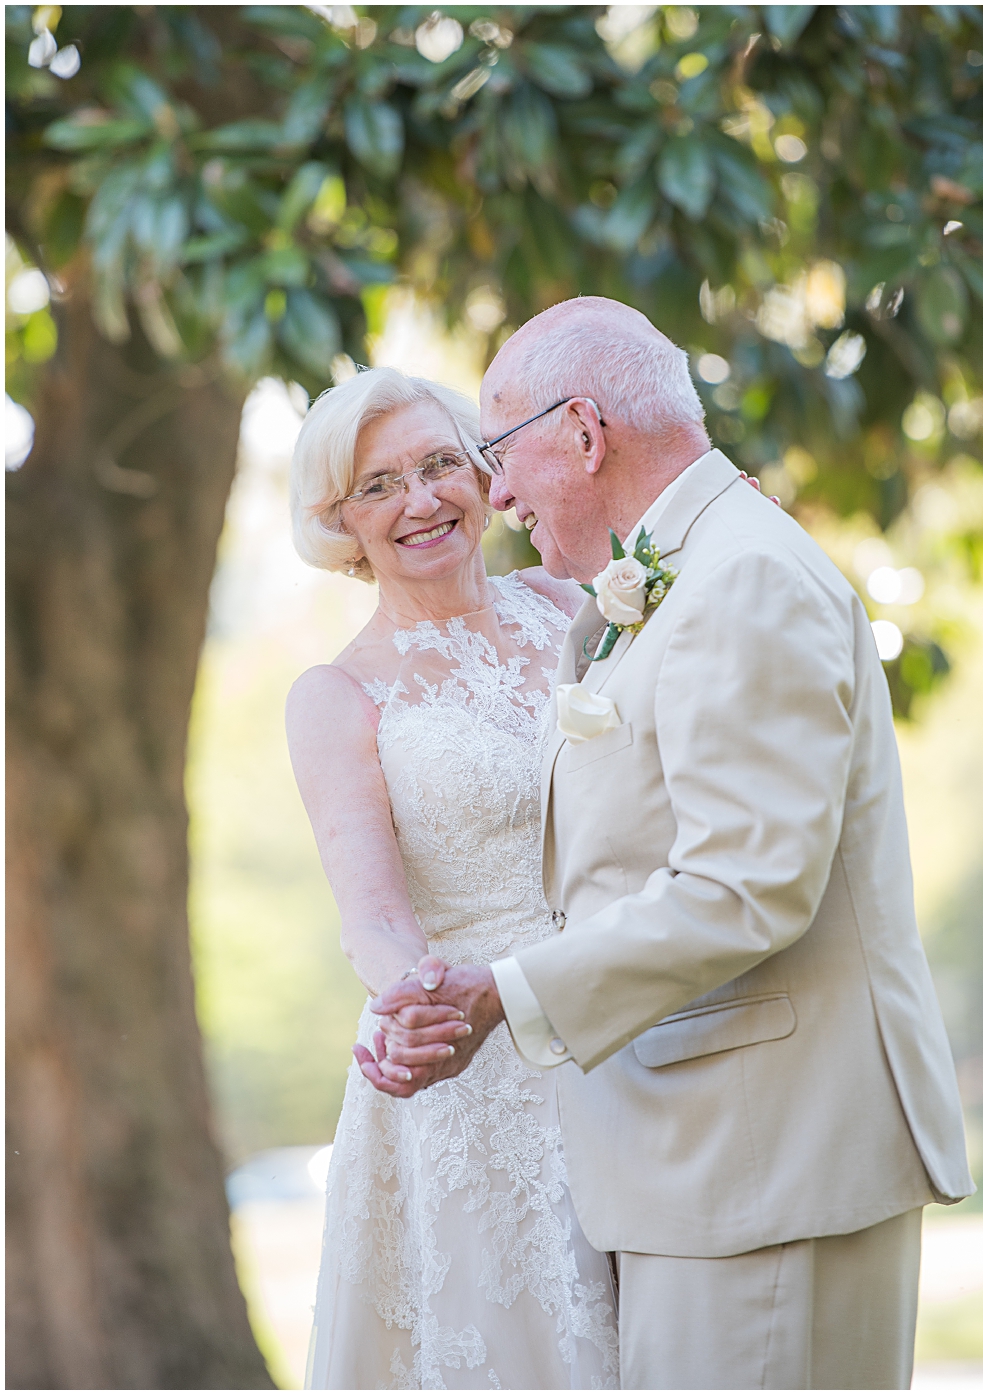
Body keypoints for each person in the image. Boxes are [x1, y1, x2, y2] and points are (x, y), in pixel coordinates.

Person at [358, 297, 976, 1389]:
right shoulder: (681, 571)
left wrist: (504, 993)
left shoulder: (742, 582)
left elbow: (746, 889)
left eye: (499, 456)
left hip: (768, 1162)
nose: (493, 495)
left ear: (585, 433)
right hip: (708, 1160)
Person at [283, 367, 618, 1387]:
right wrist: (413, 1003)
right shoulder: (337, 696)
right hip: (474, 1073)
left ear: (483, 468)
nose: (421, 500)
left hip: (623, 1017)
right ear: (339, 520)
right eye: (378, 486)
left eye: (438, 464)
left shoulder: (580, 607)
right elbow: (373, 916)